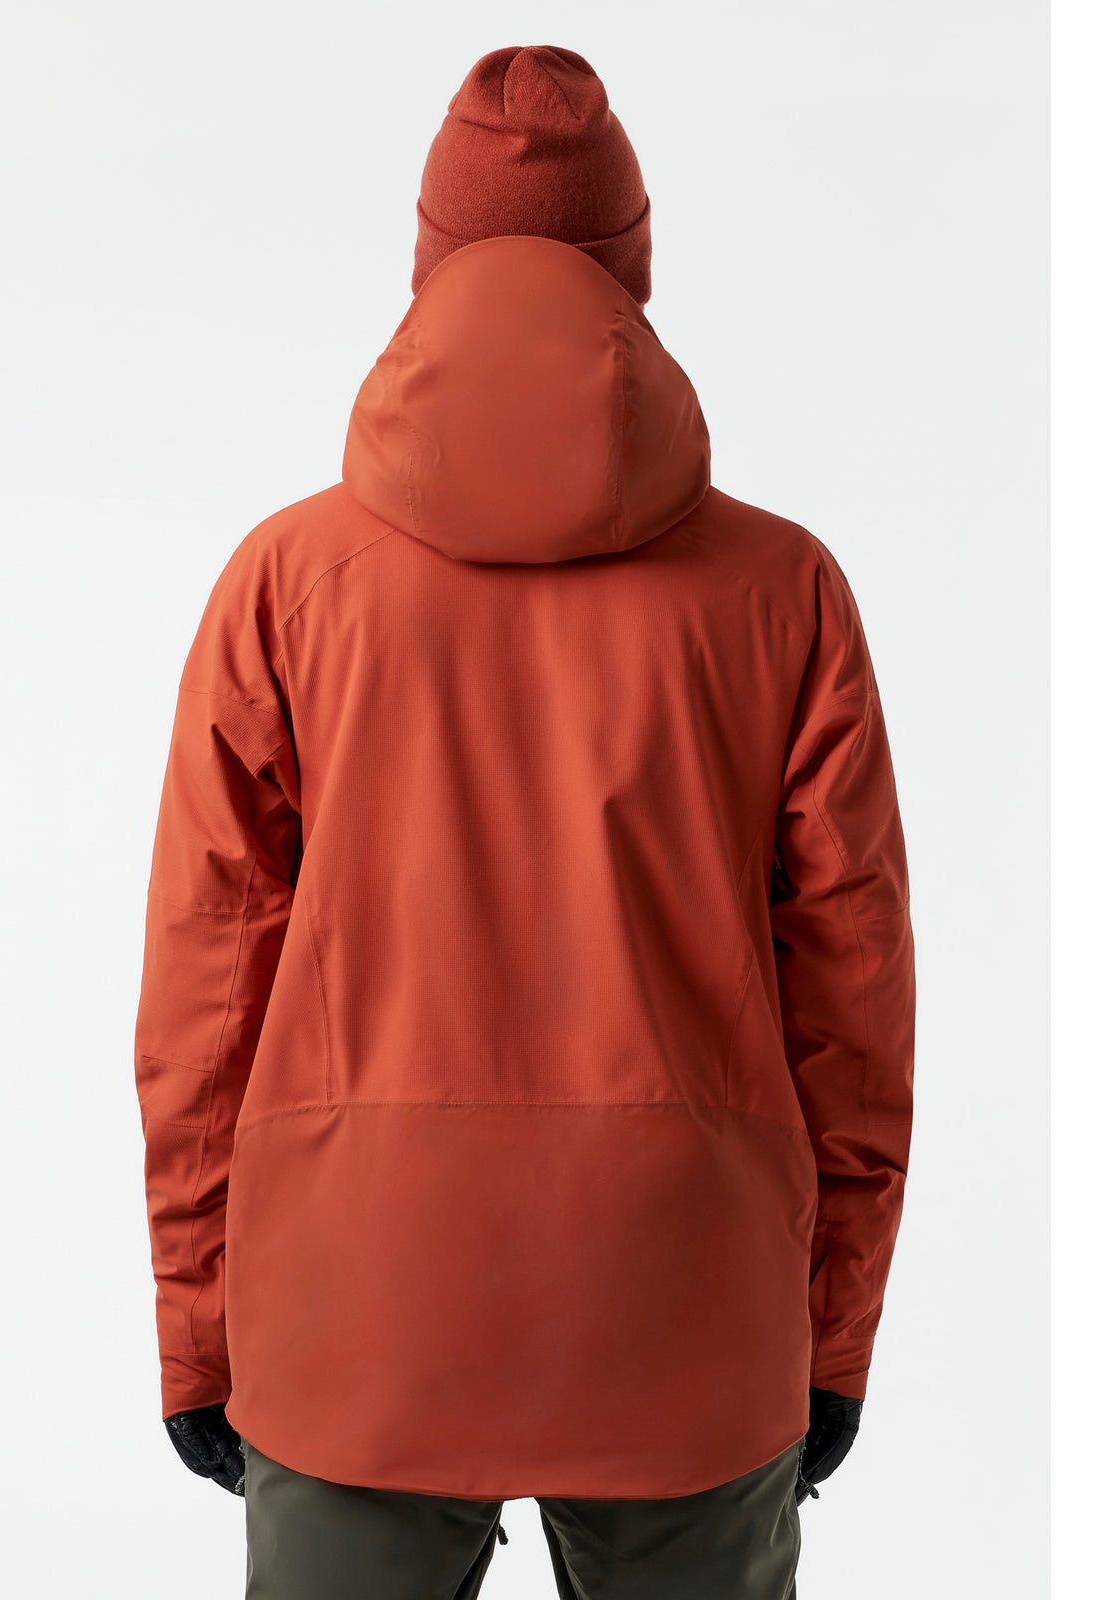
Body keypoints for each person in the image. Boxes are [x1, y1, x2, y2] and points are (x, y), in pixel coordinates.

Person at [133, 42, 916, 1600]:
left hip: (356, 1310)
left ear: (428, 269)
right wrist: (829, 1336)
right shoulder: (784, 592)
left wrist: (199, 1326)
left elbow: (206, 988)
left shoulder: (288, 584)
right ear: (633, 274)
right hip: (687, 1310)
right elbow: (853, 998)